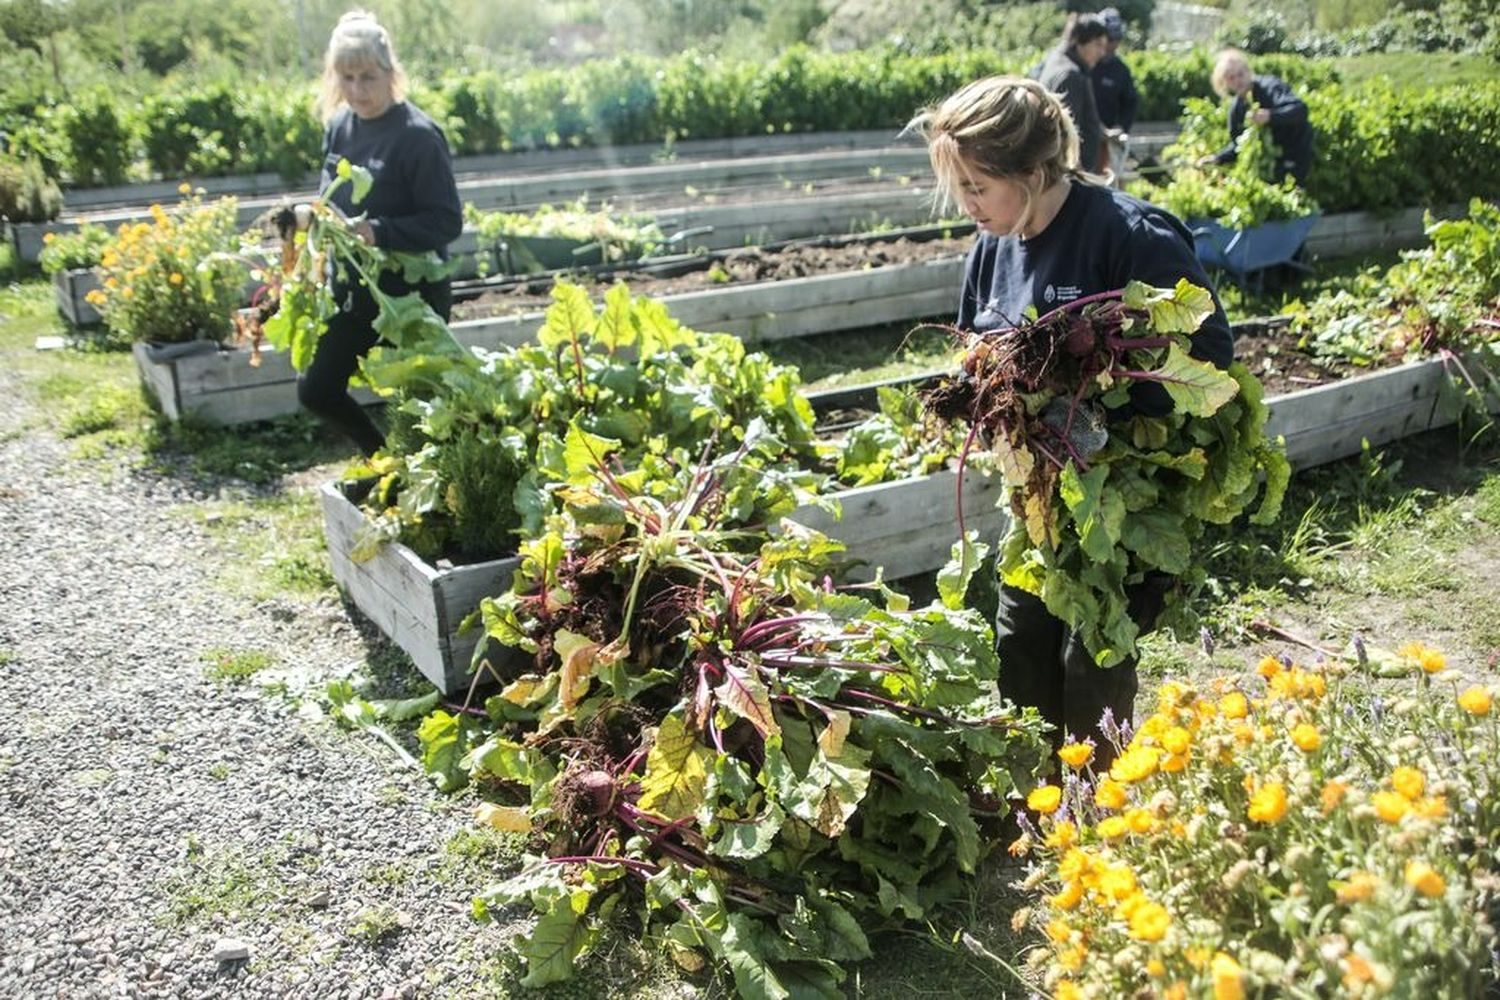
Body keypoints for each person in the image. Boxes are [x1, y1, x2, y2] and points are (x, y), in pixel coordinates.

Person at [908, 76, 1234, 755]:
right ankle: (1036, 798)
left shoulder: (1128, 234)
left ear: (1031, 170)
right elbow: (978, 342)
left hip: (1124, 487)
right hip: (1038, 492)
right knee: (1018, 642)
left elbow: (1210, 357)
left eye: (976, 186)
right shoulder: (991, 245)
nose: (966, 205)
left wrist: (1104, 376)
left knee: (1092, 657)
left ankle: (1098, 808)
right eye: (958, 187)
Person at [300, 10, 463, 456]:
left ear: (391, 73)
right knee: (316, 390)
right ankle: (381, 457)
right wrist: (308, 221)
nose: (357, 90)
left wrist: (379, 232)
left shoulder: (418, 137)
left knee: (417, 415)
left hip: (409, 302)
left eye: (368, 77)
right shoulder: (339, 126)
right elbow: (328, 197)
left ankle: (412, 486)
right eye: (346, 77)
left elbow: (447, 221)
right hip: (354, 296)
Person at [1198, 48, 1312, 186]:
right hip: (1271, 163)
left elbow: (1300, 110)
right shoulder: (1237, 109)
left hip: (1294, 154)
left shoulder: (1269, 87)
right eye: (1231, 77)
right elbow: (1238, 144)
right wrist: (1218, 158)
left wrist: (1270, 116)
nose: (1237, 80)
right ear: (1225, 83)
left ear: (1248, 72)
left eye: (1240, 74)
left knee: (1292, 192)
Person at [1030, 13, 1111, 177]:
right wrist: (1076, 174)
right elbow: (1068, 132)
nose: (1102, 53)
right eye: (1097, 45)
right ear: (1080, 42)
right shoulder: (1070, 76)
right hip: (1071, 174)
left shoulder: (1055, 59)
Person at [1090, 7, 1139, 182]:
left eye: (1116, 40)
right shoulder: (1085, 66)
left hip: (1108, 141)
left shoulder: (1120, 70)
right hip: (1084, 137)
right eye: (1109, 39)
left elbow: (1130, 102)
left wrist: (1120, 127)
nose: (1112, 45)